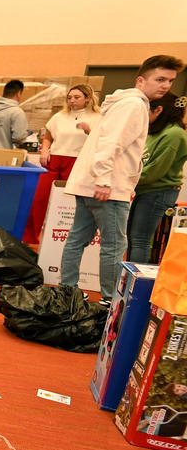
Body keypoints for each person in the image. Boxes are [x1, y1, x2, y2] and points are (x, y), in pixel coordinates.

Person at [61, 55, 183, 303]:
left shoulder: (124, 103)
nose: (166, 85)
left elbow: (112, 143)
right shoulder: (134, 105)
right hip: (106, 187)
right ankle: (111, 299)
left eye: (170, 81)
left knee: (77, 239)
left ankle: (67, 290)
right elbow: (111, 144)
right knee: (114, 245)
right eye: (160, 79)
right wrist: (104, 180)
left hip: (91, 184)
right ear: (141, 80)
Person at [24, 84, 102, 243]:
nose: (72, 101)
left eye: (77, 97)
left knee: (71, 202)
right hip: (54, 160)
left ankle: (68, 239)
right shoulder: (59, 116)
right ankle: (30, 238)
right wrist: (45, 150)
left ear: (88, 98)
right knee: (39, 198)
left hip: (78, 162)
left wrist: (89, 131)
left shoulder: (98, 117)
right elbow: (47, 135)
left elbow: (104, 141)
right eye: (69, 97)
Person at [128, 93, 187, 263]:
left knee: (140, 240)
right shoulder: (156, 131)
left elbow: (156, 171)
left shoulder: (174, 134)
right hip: (145, 190)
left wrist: (126, 180)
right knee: (132, 237)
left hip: (158, 192)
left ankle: (135, 279)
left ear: (158, 110)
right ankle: (128, 276)